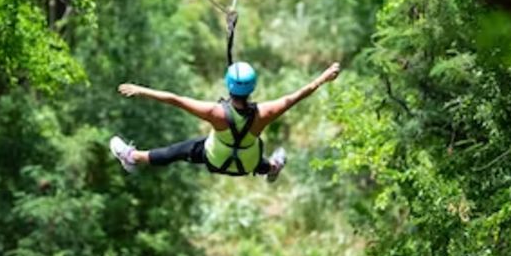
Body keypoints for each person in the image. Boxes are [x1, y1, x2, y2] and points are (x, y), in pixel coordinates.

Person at [110, 61, 341, 181]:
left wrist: (141, 90)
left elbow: (176, 100)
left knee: (182, 149)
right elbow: (298, 95)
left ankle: (133, 157)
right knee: (250, 152)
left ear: (227, 84)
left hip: (216, 160)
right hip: (247, 165)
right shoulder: (265, 113)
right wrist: (324, 77)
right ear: (252, 87)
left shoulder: (216, 113)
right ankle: (272, 167)